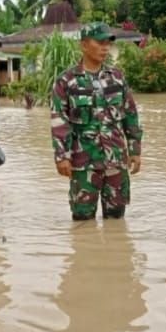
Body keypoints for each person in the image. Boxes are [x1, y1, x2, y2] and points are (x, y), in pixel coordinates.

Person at [51, 22, 143, 221]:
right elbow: (59, 121)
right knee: (82, 221)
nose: (105, 47)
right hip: (83, 163)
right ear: (84, 45)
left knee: (116, 220)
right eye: (100, 42)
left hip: (116, 160)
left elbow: (130, 114)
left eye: (108, 43)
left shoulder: (117, 78)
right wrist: (62, 156)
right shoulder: (66, 81)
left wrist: (135, 149)